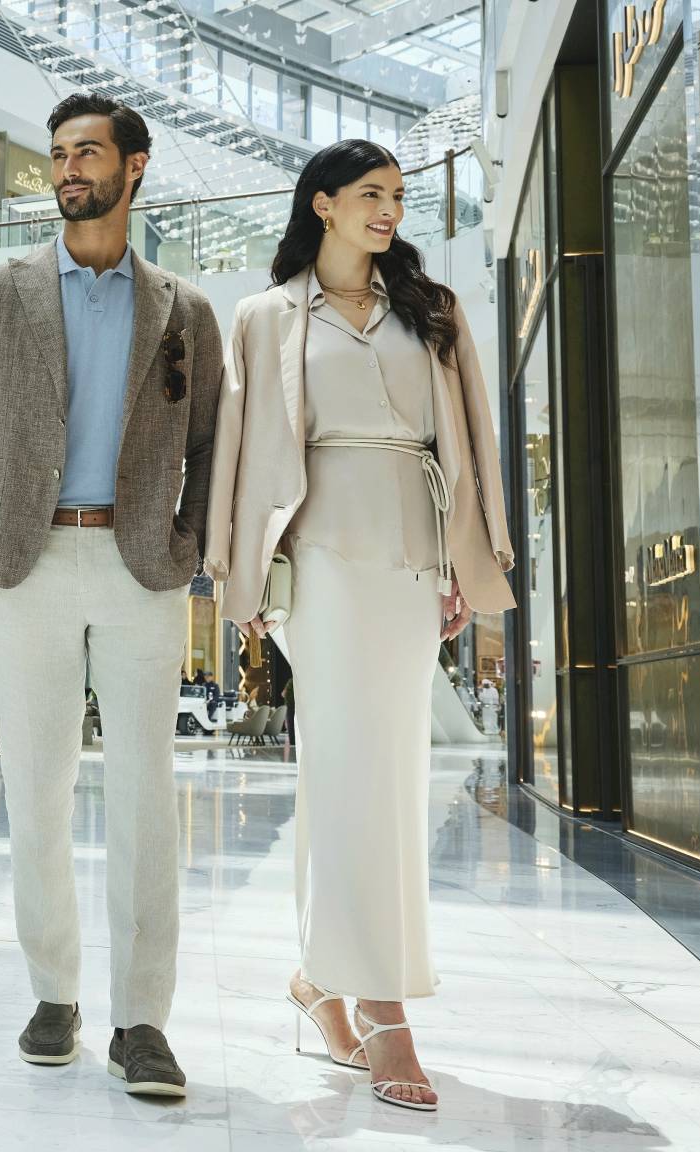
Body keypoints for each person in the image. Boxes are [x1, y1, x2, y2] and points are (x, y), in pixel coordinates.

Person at [203, 139, 515, 1111]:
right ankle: (380, 1005)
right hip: (323, 563)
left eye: (398, 197)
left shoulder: (431, 312)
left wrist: (469, 558)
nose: (388, 210)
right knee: (349, 772)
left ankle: (316, 980)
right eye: (371, 195)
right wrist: (236, 582)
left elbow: (466, 439)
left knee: (371, 775)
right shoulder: (262, 318)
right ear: (322, 204)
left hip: (413, 559)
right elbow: (240, 454)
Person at [0, 91, 221, 1099]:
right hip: (26, 566)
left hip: (142, 569)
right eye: (56, 154)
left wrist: (188, 543)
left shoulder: (182, 309)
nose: (65, 171)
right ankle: (52, 992)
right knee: (36, 793)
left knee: (146, 800)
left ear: (132, 168)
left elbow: (210, 443)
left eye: (85, 153)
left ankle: (141, 1021)